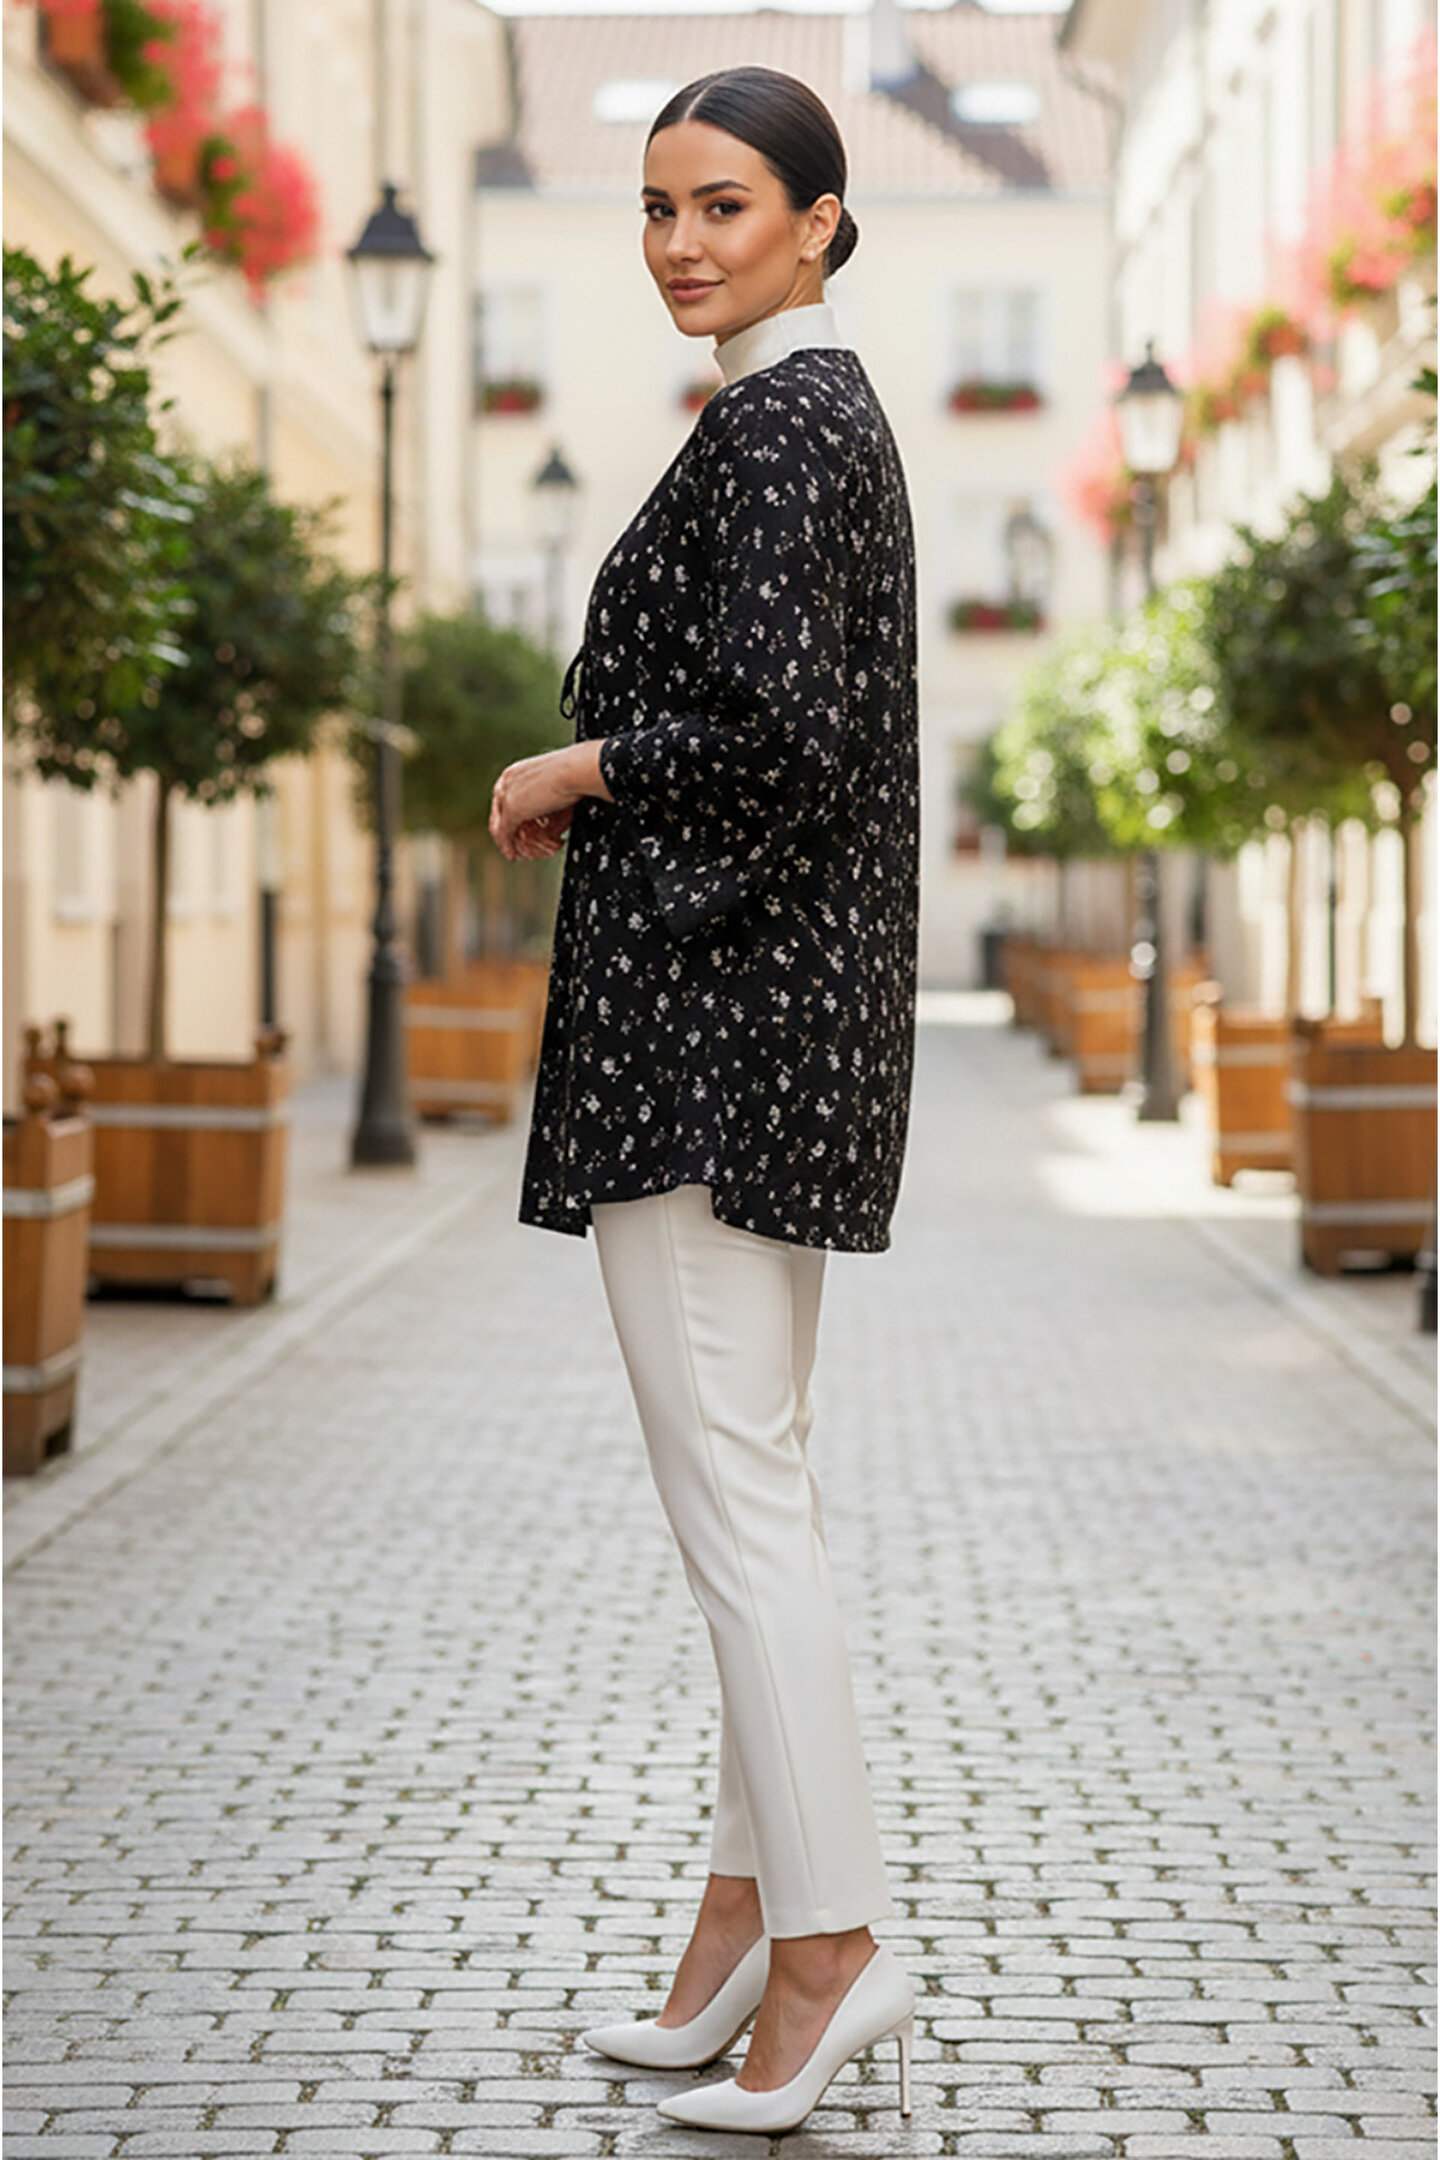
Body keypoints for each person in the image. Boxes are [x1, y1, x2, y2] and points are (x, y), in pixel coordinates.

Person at [489, 64, 919, 2136]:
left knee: (741, 1512)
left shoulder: (778, 425)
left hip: (710, 1043)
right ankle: (745, 1924)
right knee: (766, 1494)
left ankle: (827, 1949)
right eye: (655, 206)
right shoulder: (807, 415)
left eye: (722, 204)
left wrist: (574, 765)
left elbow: (774, 732)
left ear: (820, 219)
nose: (678, 242)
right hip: (774, 1037)